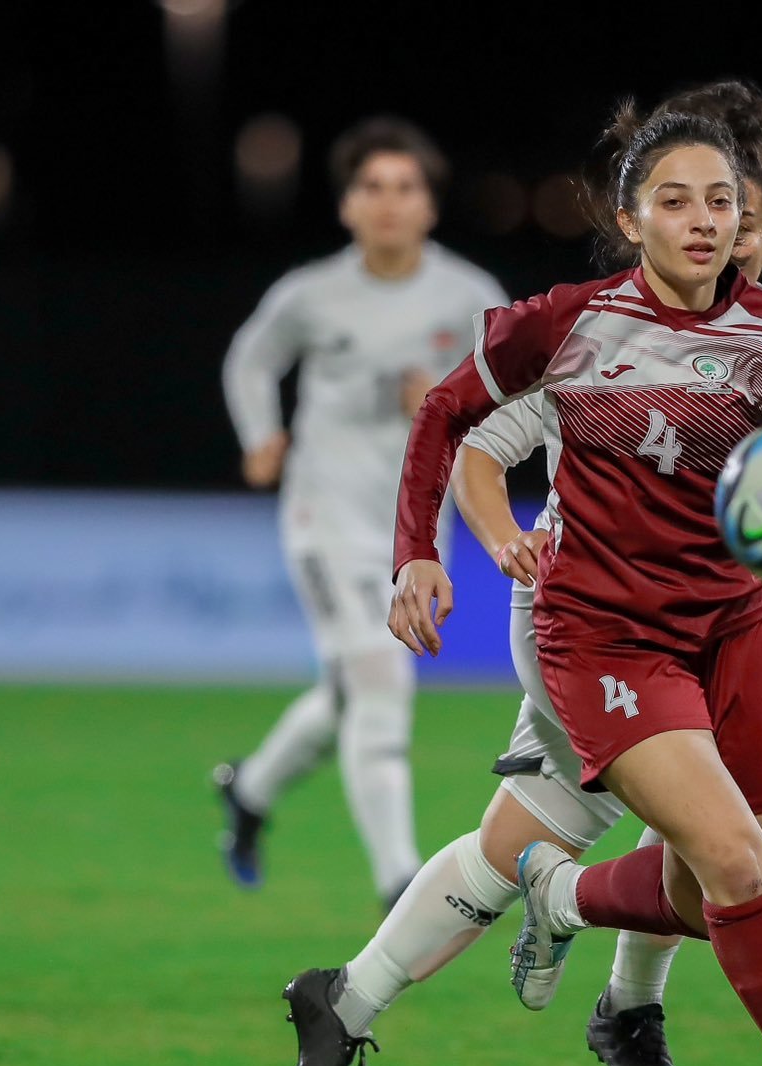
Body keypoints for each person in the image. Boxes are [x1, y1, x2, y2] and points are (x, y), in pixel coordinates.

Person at [288, 105, 762, 1066]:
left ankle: (416, 967)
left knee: (693, 887)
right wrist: (420, 555)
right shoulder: (569, 324)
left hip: (729, 632)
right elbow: (448, 417)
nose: (703, 220)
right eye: (676, 201)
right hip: (601, 636)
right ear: (630, 219)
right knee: (738, 864)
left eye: (720, 202)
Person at [214, 118, 507, 906]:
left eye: (405, 188)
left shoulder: (470, 296)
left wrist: (450, 404)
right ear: (347, 205)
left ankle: (250, 792)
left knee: (350, 692)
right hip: (325, 515)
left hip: (417, 527)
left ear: (430, 206)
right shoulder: (312, 294)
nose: (388, 203)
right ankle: (399, 883)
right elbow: (251, 358)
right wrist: (261, 435)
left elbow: (517, 394)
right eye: (372, 187)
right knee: (379, 679)